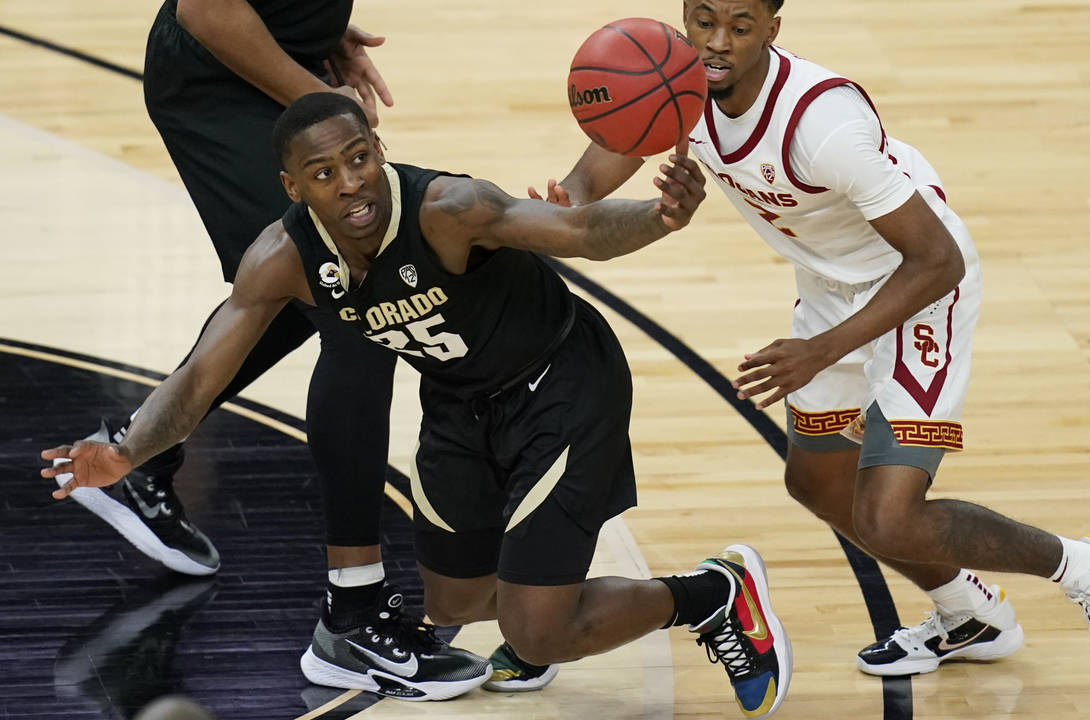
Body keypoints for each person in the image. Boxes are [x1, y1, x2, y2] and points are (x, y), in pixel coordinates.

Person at [531, 0, 1090, 696]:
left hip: (918, 288)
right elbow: (598, 169)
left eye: (740, 25)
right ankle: (967, 617)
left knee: (892, 514)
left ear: (773, 28)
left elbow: (938, 259)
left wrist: (822, 349)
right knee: (818, 484)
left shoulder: (824, 125)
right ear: (685, 10)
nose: (717, 42)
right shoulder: (679, 80)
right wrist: (568, 203)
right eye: (703, 19)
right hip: (832, 289)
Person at [44, 92, 794, 716]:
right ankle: (547, 610)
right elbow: (201, 376)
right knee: (457, 605)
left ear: (378, 148)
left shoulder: (446, 207)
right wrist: (130, 449)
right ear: (293, 187)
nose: (352, 183)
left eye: (360, 158)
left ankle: (709, 593)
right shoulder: (280, 258)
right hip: (459, 403)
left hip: (562, 386)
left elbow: (576, 231)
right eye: (325, 172)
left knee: (536, 632)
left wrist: (658, 217)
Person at [64, 0, 409, 668]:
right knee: (357, 305)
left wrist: (314, 19)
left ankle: (135, 453)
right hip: (218, 86)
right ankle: (353, 614)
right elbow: (207, 7)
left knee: (303, 302)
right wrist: (329, 110)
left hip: (266, 67)